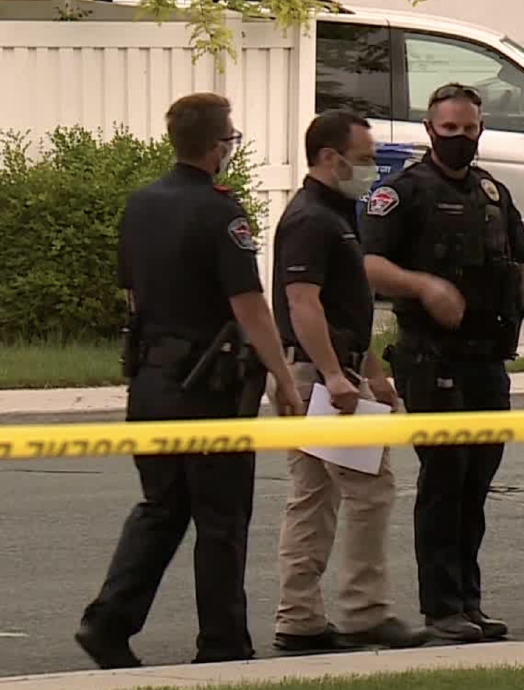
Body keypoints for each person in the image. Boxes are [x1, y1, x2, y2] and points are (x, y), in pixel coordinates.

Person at [76, 92, 304, 669]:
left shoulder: (140, 204)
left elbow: (133, 294)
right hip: (208, 391)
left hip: (151, 382)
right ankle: (223, 645)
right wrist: (284, 377)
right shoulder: (220, 212)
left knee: (162, 505)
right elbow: (250, 307)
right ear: (217, 146)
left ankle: (108, 623)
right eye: (231, 138)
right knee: (221, 518)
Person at [360, 82, 524, 643]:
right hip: (431, 360)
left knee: (476, 483)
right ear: (430, 131)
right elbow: (367, 264)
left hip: (486, 361)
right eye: (449, 130)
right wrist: (423, 285)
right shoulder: (402, 193)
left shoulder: (493, 194)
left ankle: (468, 603)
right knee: (444, 480)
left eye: (468, 129)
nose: (459, 139)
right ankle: (441, 608)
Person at [267, 109, 431, 654]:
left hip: (328, 371)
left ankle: (300, 618)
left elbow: (347, 307)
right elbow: (302, 302)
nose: (370, 169)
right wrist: (338, 377)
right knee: (369, 490)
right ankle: (364, 612)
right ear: (330, 158)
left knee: (312, 497)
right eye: (362, 160)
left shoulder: (333, 214)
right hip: (324, 377)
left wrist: (374, 374)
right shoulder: (313, 219)